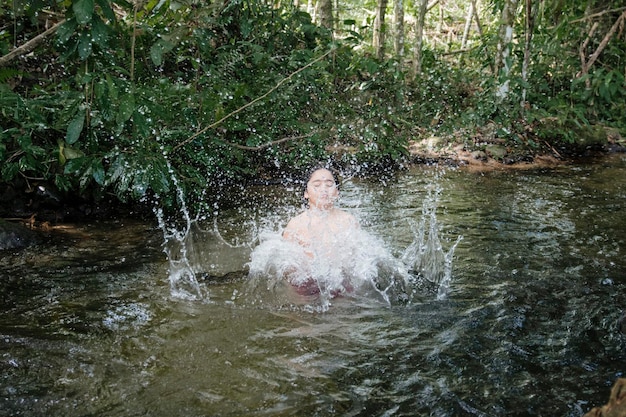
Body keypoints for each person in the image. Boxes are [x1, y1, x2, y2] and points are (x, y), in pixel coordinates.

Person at [281, 166, 359, 295]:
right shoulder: (295, 224)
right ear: (306, 193)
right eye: (317, 185)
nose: (324, 189)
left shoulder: (348, 220)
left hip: (341, 282)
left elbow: (358, 260)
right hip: (306, 284)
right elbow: (286, 266)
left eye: (329, 185)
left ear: (337, 192)